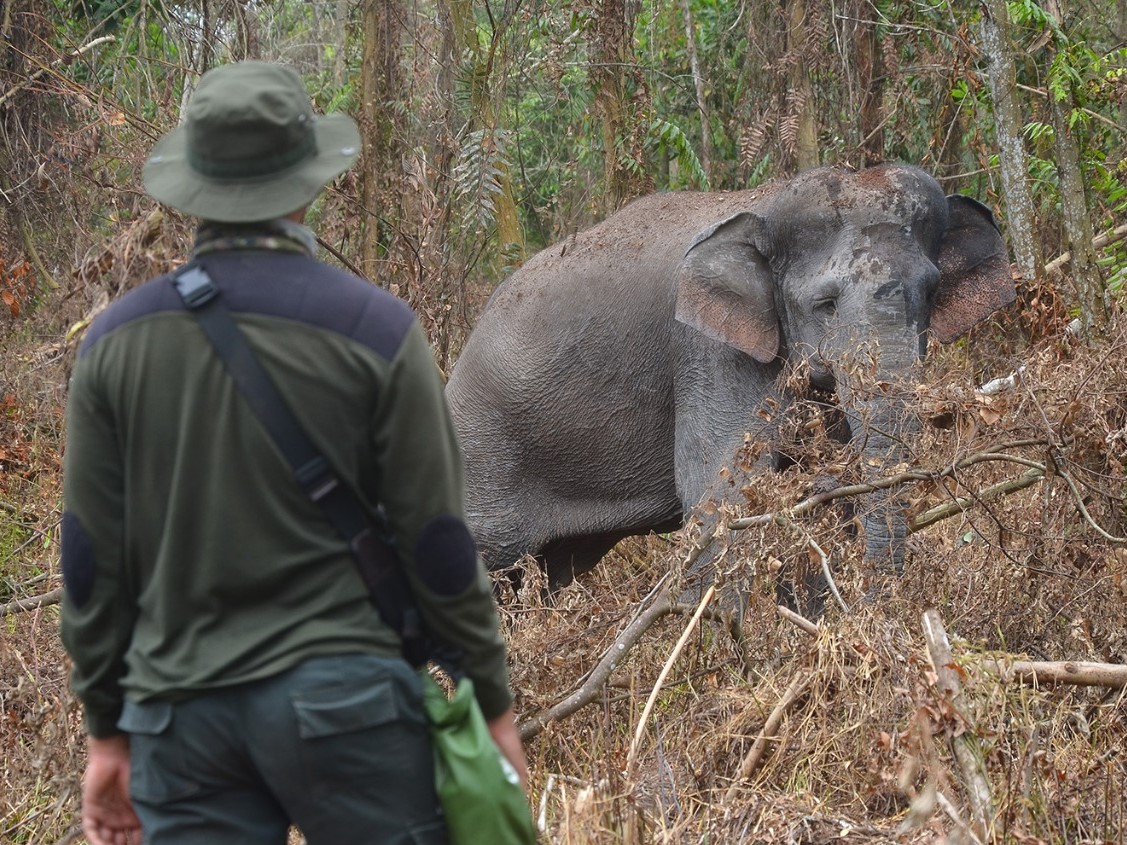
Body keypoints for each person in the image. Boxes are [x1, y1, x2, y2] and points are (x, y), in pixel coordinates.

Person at [60, 60, 527, 845]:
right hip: (349, 708)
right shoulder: (377, 331)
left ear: (194, 188)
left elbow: (87, 564)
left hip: (181, 721)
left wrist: (106, 730)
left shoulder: (111, 346)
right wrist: (490, 699)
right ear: (308, 185)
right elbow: (439, 543)